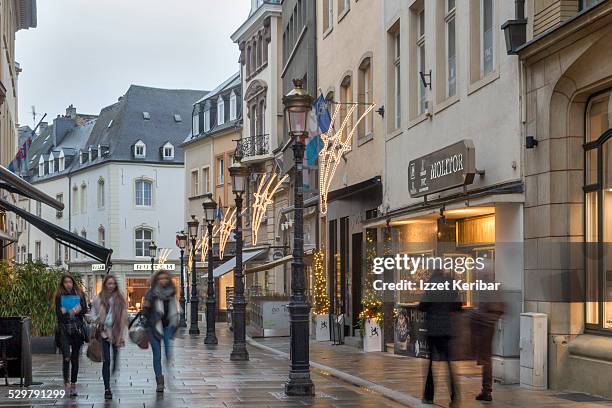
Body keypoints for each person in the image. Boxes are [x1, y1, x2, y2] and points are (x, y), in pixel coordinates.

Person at [418, 269, 462, 406]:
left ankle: (428, 395)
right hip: (446, 329)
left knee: (431, 364)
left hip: (433, 329)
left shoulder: (431, 284)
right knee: (449, 363)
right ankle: (455, 396)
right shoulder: (450, 284)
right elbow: (458, 306)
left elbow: (422, 306)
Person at [91, 275, 128, 400]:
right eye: (108, 284)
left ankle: (114, 369)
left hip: (117, 332)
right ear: (105, 284)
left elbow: (124, 316)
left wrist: (121, 334)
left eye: (113, 284)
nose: (111, 286)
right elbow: (92, 315)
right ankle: (107, 388)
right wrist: (97, 318)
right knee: (106, 360)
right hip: (104, 333)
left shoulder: (120, 298)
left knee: (115, 358)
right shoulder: (98, 298)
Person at [142, 269, 179, 393]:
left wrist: (176, 322)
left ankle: (167, 371)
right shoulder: (151, 293)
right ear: (156, 280)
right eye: (160, 279)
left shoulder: (171, 292)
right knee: (157, 355)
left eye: (165, 278)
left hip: (168, 326)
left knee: (168, 353)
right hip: (154, 327)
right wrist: (146, 310)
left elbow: (175, 309)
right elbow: (145, 312)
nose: (163, 281)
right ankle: (160, 382)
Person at [54, 274, 88, 397]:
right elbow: (58, 314)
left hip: (76, 329)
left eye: (70, 282)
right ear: (62, 284)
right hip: (63, 329)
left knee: (75, 358)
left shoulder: (79, 294)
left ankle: (73, 383)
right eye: (65, 282)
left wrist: (79, 310)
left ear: (73, 283)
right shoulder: (59, 296)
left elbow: (84, 309)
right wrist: (69, 312)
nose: (68, 284)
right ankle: (66, 381)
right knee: (66, 357)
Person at [471, 283, 505, 401]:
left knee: (485, 358)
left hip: (485, 327)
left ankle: (486, 390)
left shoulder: (488, 288)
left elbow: (492, 309)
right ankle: (486, 390)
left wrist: (480, 316)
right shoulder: (492, 288)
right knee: (485, 358)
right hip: (488, 326)